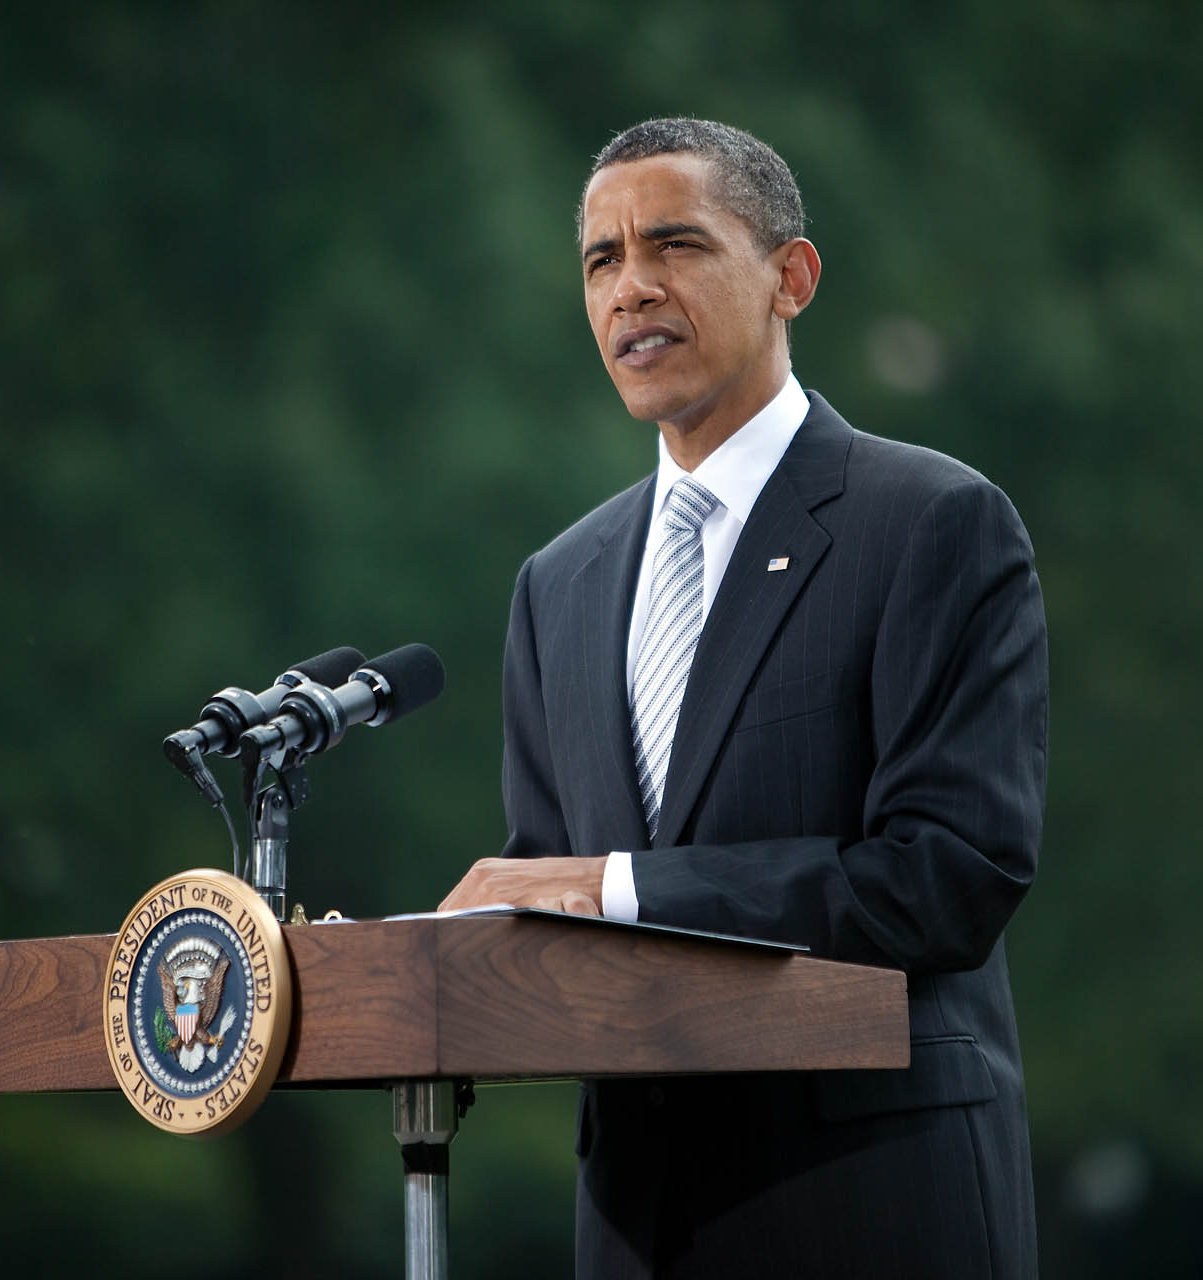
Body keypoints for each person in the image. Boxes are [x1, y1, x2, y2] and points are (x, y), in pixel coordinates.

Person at [439, 117, 1047, 1280]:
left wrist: (619, 885)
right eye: (602, 260)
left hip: (872, 1208)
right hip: (638, 1222)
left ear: (791, 277)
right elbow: (547, 909)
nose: (633, 288)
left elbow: (947, 878)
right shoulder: (555, 587)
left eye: (675, 244)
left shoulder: (931, 522)